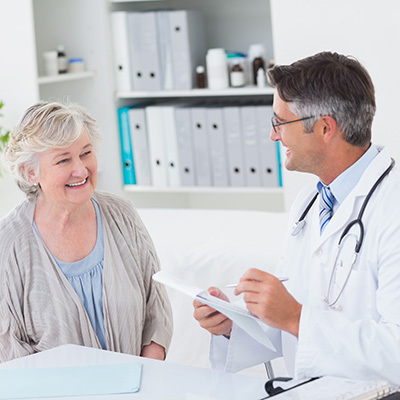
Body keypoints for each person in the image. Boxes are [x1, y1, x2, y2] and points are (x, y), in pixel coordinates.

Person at [193, 51, 400, 385]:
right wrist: (234, 325)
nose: (273, 135)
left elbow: (396, 353)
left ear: (324, 128)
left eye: (280, 122)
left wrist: (296, 317)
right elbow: (291, 328)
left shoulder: (393, 209)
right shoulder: (310, 204)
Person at [0, 101, 173, 362]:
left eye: (86, 153)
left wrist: (144, 379)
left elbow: (156, 309)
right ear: (30, 171)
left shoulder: (122, 215)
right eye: (63, 160)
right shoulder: (8, 245)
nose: (81, 170)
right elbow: (10, 350)